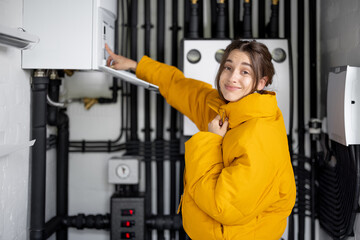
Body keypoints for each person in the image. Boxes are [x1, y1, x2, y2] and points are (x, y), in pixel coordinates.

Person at [105, 40, 296, 240]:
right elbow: (180, 87)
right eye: (228, 67)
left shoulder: (260, 135)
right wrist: (136, 66)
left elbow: (223, 206)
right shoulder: (225, 110)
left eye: (245, 72)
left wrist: (211, 140)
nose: (232, 78)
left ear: (261, 83)